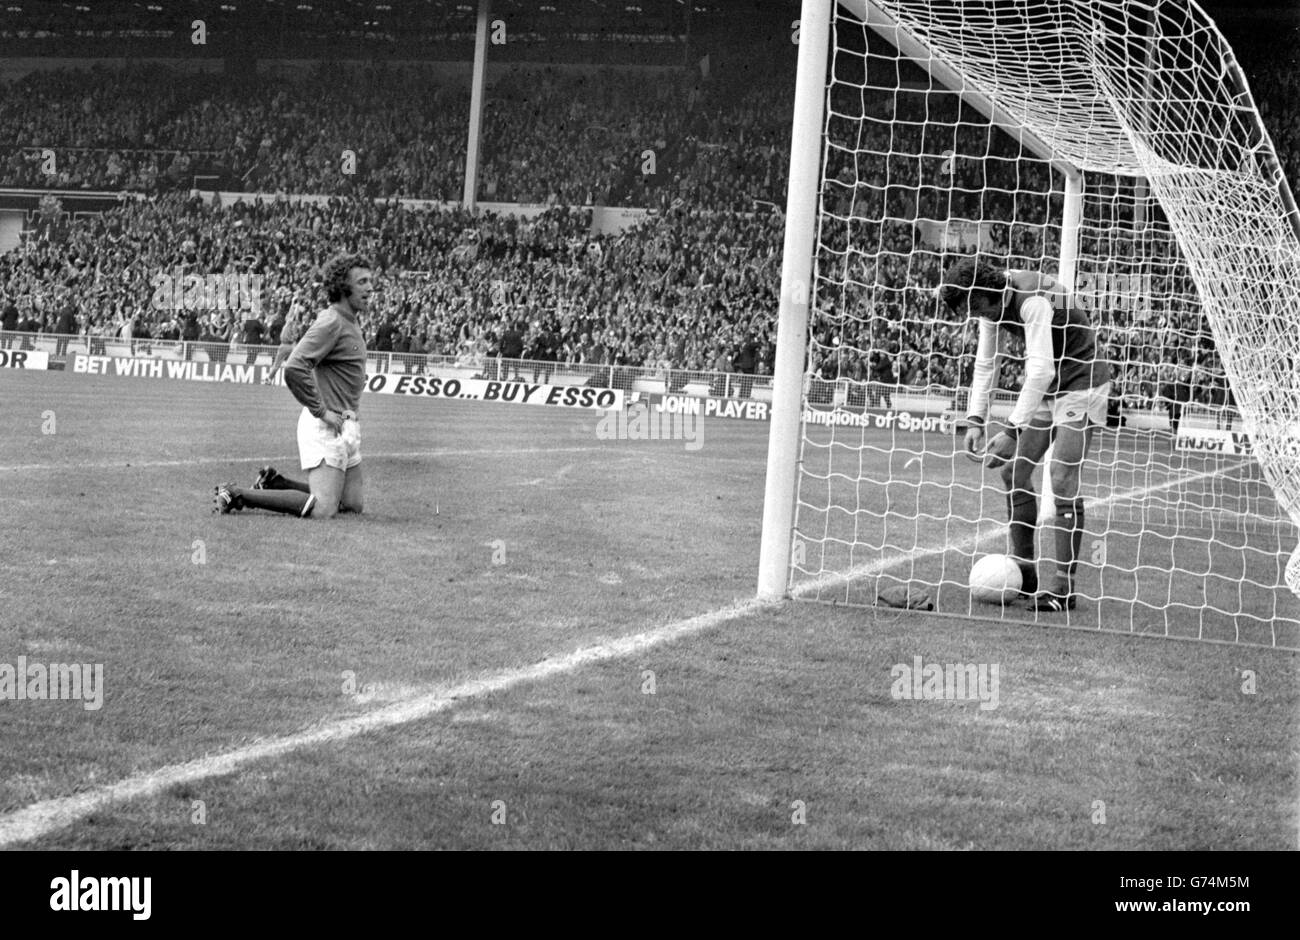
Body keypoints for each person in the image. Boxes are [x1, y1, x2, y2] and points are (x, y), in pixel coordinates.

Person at [939, 256, 1111, 612]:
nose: (976, 315)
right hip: (1051, 386)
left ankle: (1064, 588)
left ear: (986, 294)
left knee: (1061, 477)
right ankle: (1024, 571)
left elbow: (1040, 370)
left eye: (974, 307)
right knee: (1013, 472)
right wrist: (975, 420)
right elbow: (987, 363)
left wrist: (1011, 430)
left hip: (1081, 381)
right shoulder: (990, 304)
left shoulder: (1031, 300)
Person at [214, 254, 372, 520]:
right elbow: (295, 366)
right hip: (325, 425)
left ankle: (275, 483)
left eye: (370, 281)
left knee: (352, 505)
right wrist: (322, 411)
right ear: (344, 288)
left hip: (345, 424)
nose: (370, 288)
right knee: (323, 509)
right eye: (362, 282)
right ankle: (236, 493)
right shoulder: (332, 322)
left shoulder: (350, 319)